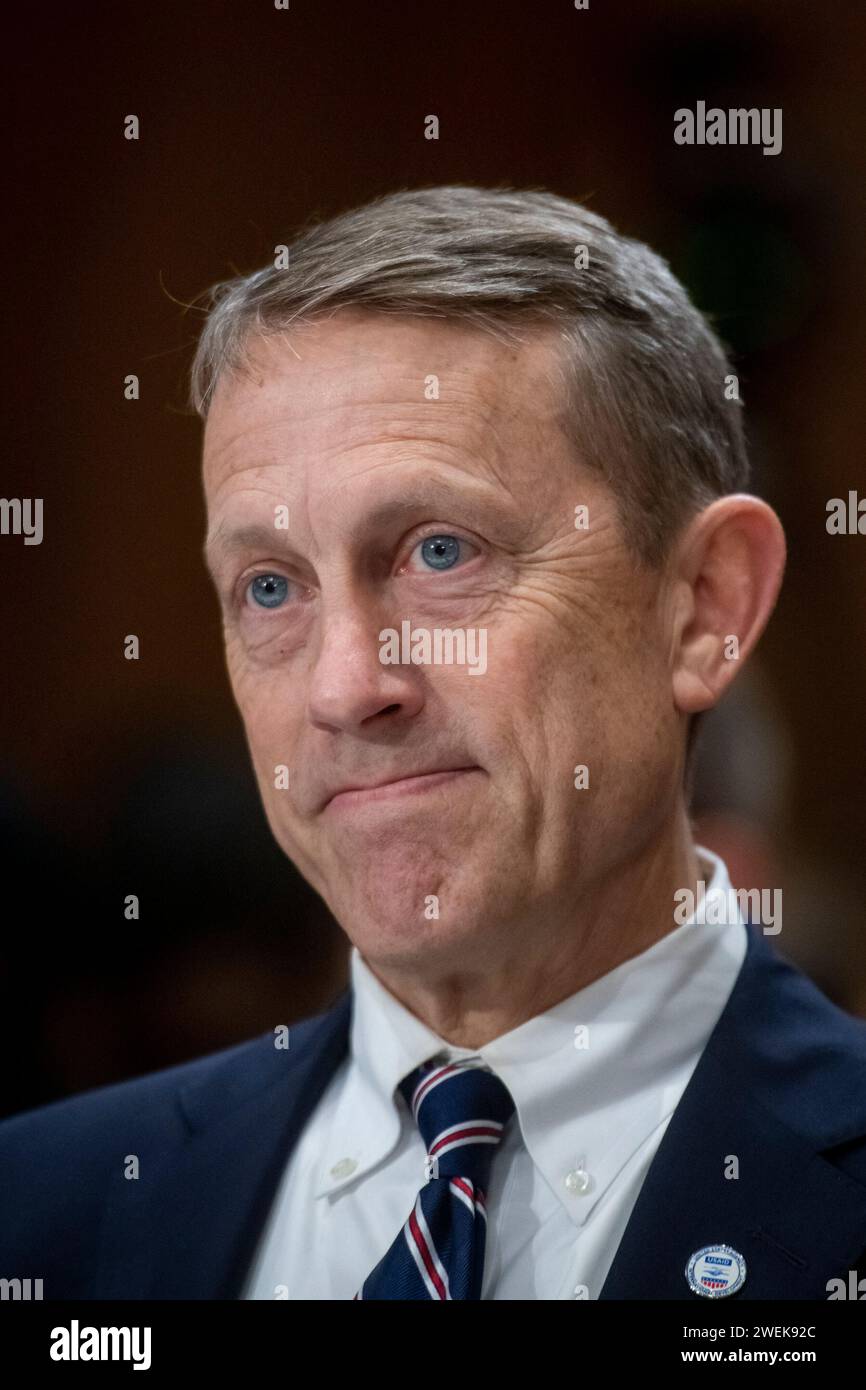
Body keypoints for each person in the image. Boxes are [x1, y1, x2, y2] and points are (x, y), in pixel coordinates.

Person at [2, 186, 864, 1301]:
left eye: (439, 553)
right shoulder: (41, 1212)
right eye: (270, 586)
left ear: (700, 604)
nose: (344, 687)